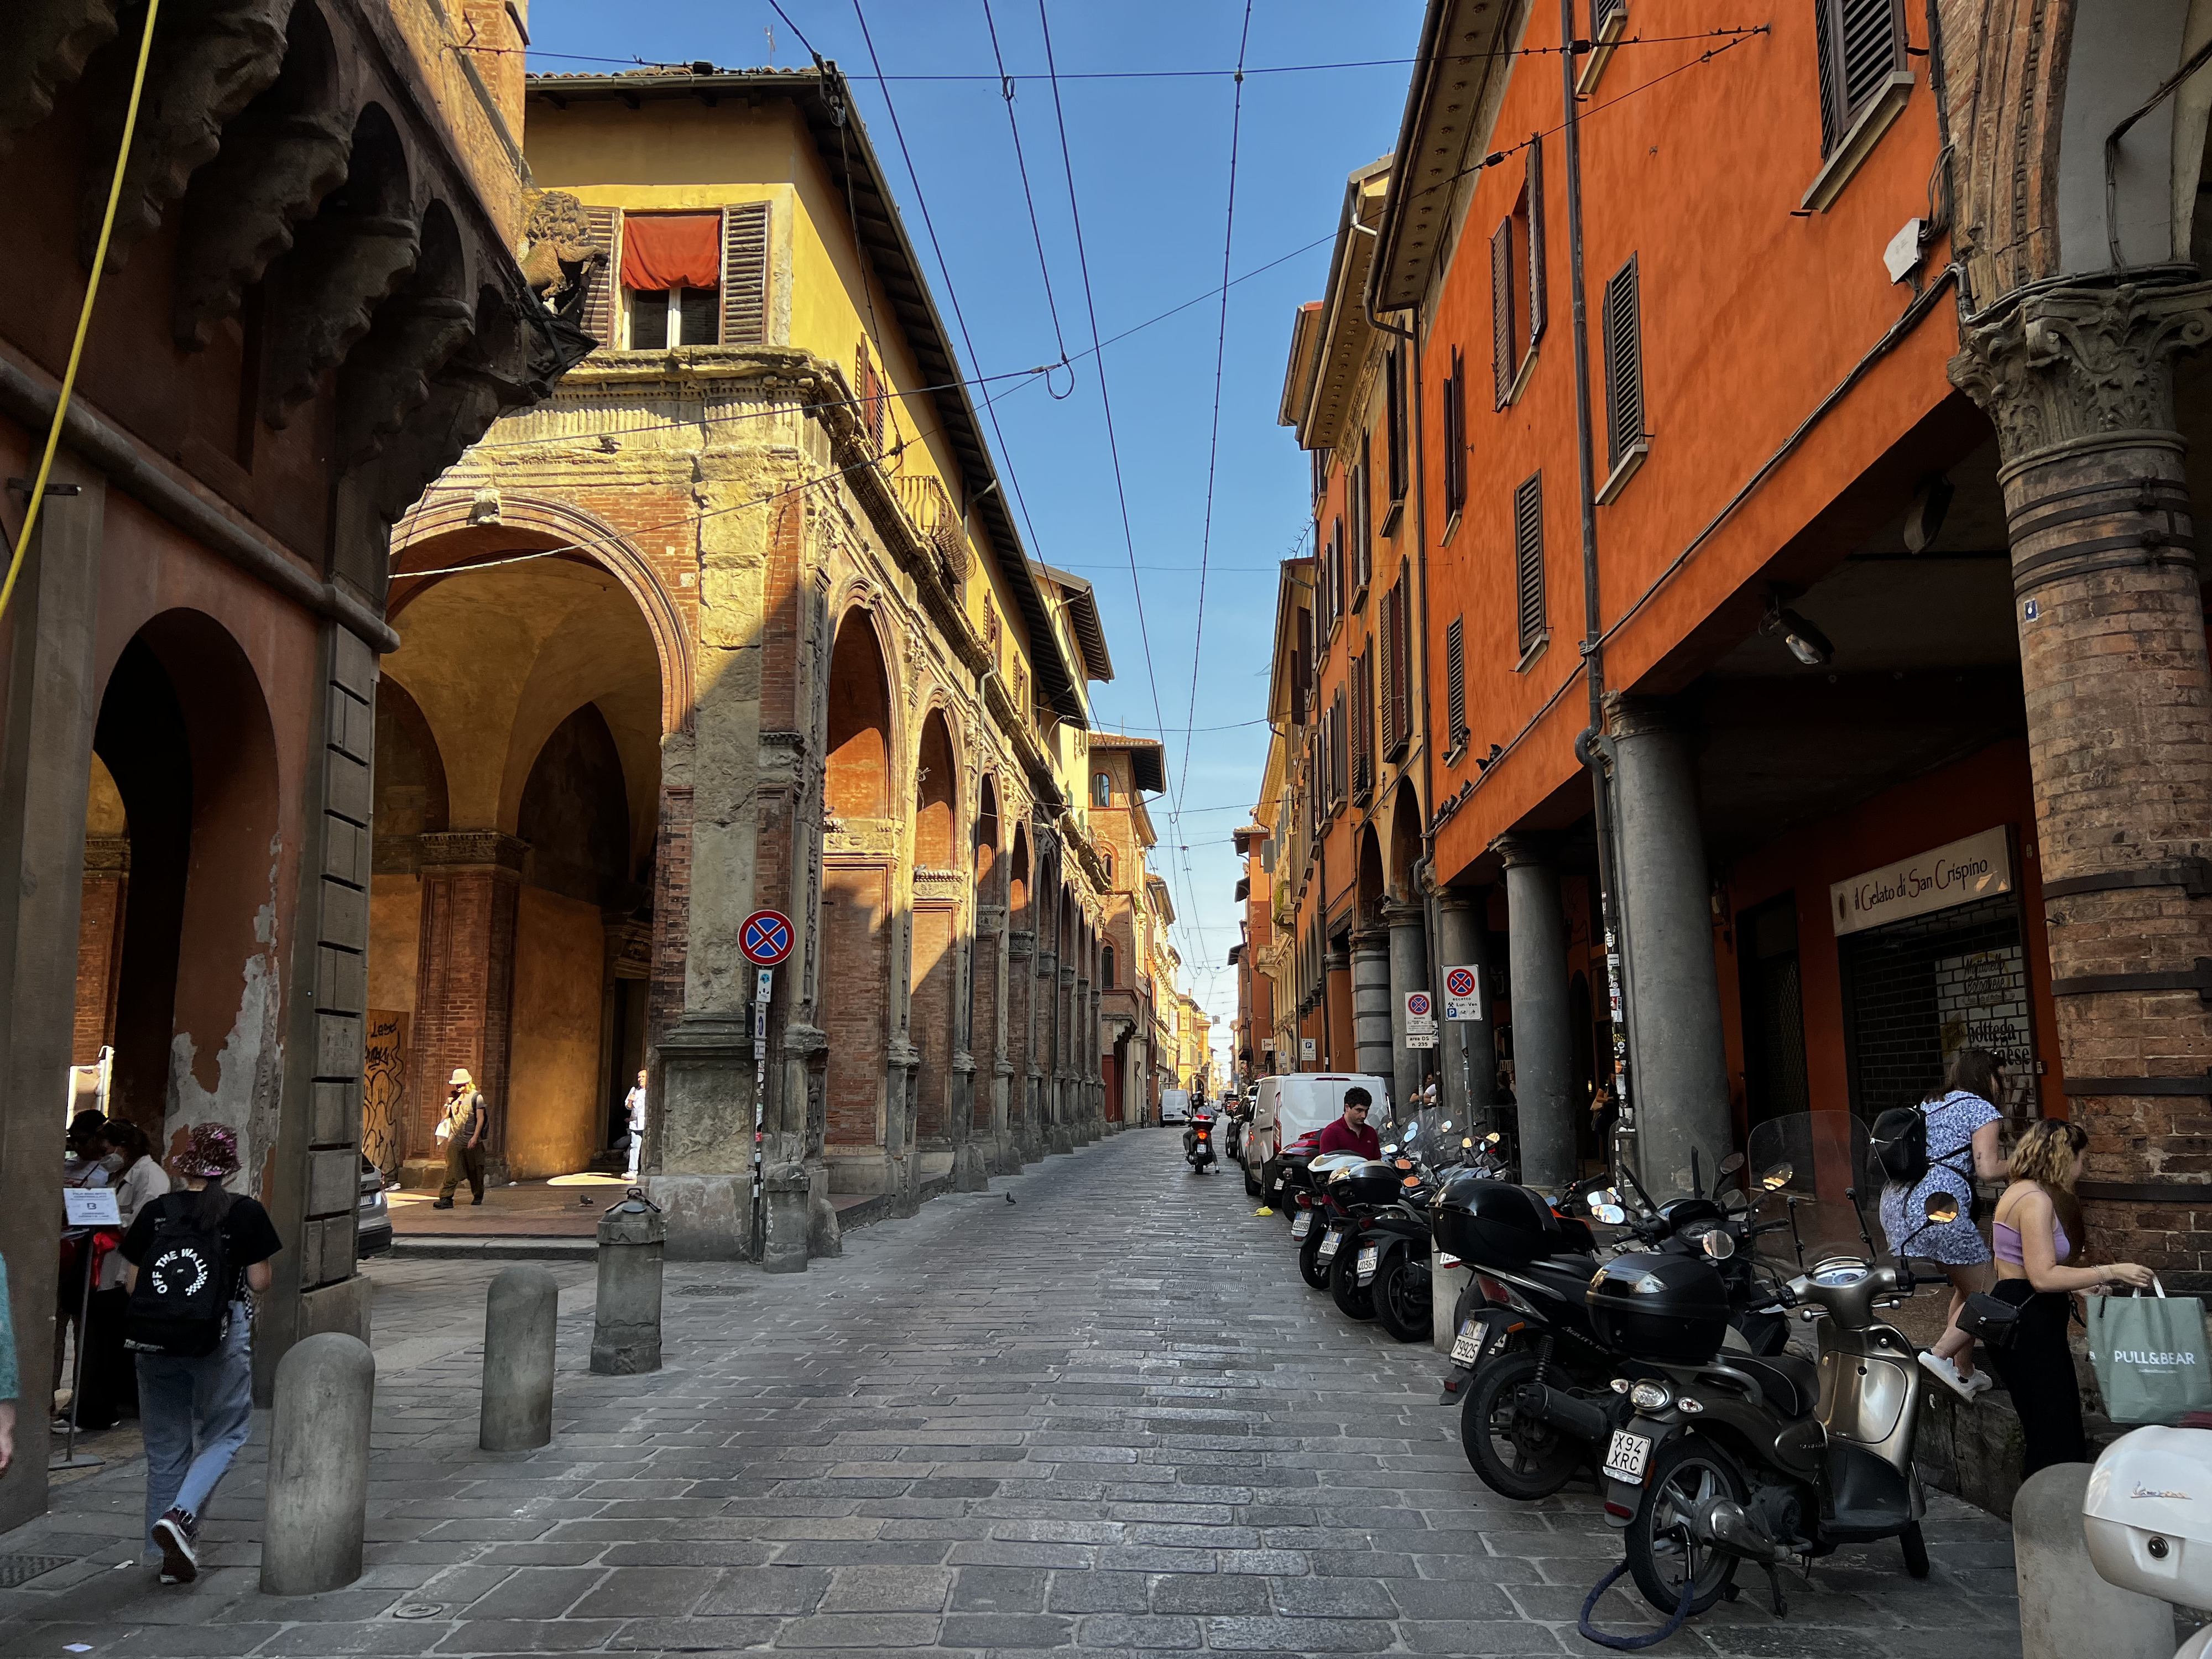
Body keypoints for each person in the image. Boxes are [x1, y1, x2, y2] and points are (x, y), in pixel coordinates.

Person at [118, 1123, 281, 1584]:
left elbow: (132, 1284)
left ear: (184, 1166)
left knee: (166, 1446)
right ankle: (182, 1517)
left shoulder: (156, 1211)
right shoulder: (245, 1213)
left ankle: (163, 1558)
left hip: (154, 1340)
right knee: (226, 1434)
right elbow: (259, 1282)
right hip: (219, 1337)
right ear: (229, 1171)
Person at [1990, 1118, 2153, 1478]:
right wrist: (2111, 1271)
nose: (2083, 1168)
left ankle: (2042, 1518)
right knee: (2054, 1434)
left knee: (2045, 1427)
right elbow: (2043, 1276)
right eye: (2083, 1159)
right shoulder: (2036, 1201)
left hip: (2017, 1312)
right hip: (2030, 1327)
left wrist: (2077, 1285)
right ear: (2067, 1158)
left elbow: (2021, 1265)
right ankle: (2049, 1521)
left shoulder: (2018, 1191)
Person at [1878, 1046, 2010, 1400]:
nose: (2003, 1084)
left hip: (1899, 1202)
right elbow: (1988, 1170)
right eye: (2001, 1076)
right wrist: (2031, 1163)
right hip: (1940, 1209)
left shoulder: (1930, 1103)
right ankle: (1938, 1356)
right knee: (1992, 1293)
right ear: (1987, 1077)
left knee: (1967, 1289)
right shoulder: (1982, 1109)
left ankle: (1964, 1372)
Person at [77, 1120, 165, 1431]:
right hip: (107, 1265)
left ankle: (106, 1406)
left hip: (126, 1268)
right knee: (105, 1338)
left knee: (112, 1339)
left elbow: (145, 1221)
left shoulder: (150, 1175)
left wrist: (108, 1218)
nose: (106, 1154)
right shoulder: (118, 1175)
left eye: (109, 1148)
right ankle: (102, 1403)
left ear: (124, 1147)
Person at [434, 1068, 488, 1209]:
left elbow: (480, 1119)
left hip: (472, 1141)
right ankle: (446, 1198)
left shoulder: (477, 1098)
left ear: (468, 1083)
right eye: (457, 1085)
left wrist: (475, 1138)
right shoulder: (454, 1097)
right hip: (455, 1141)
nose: (459, 1088)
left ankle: (478, 1194)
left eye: (461, 1085)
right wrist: (447, 1104)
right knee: (451, 1170)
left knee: (475, 1171)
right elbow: (444, 1116)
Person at [1316, 1086, 1382, 1159]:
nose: (1364, 1116)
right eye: (1359, 1110)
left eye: (1366, 1111)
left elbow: (1377, 1162)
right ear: (1347, 1107)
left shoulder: (1371, 1132)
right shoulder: (1331, 1133)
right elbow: (1326, 1165)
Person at [623, 1069, 648, 1182]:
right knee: (634, 1147)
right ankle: (632, 1171)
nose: (641, 1079)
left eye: (643, 1077)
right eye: (639, 1077)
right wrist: (630, 1101)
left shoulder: (652, 1090)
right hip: (636, 1123)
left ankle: (647, 1170)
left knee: (647, 1149)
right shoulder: (634, 1091)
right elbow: (628, 1106)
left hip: (648, 1124)